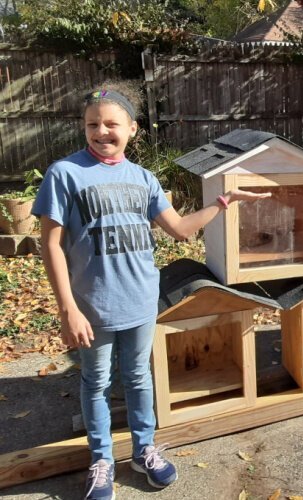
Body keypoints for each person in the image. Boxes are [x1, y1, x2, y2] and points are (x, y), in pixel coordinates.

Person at [32, 81, 270, 500]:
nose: (101, 132)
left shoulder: (144, 178)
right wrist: (68, 308)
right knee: (97, 381)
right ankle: (102, 460)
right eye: (92, 124)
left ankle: (144, 450)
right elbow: (50, 244)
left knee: (140, 377)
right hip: (92, 307)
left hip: (141, 300)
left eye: (111, 124)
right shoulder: (64, 174)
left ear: (132, 129)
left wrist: (220, 204)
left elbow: (178, 230)